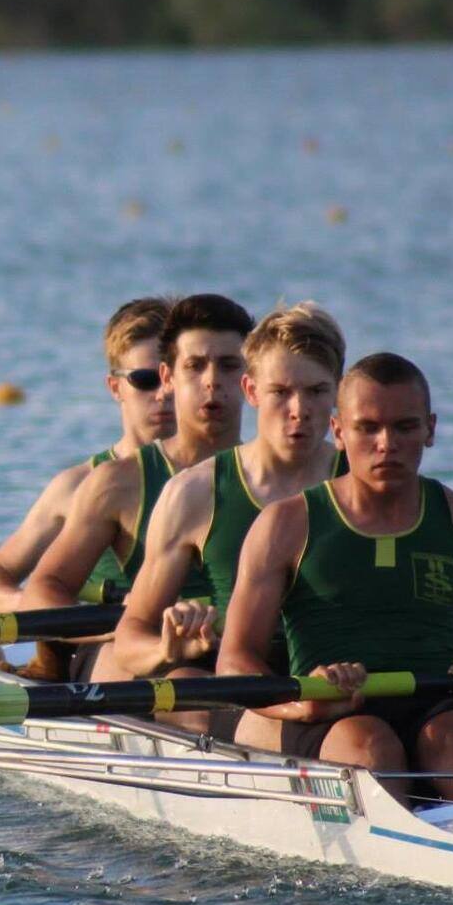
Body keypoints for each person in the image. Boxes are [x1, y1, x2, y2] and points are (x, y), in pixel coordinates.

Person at [218, 352, 453, 802]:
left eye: (404, 427)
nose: (386, 443)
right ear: (338, 432)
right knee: (373, 748)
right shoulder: (287, 525)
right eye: (367, 428)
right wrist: (303, 703)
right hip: (328, 714)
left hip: (435, 703)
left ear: (430, 429)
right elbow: (234, 664)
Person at [103, 304, 347, 734]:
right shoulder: (194, 493)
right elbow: (128, 640)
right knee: (188, 691)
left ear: (337, 395)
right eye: (281, 392)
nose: (299, 410)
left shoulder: (362, 479)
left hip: (341, 684)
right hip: (230, 690)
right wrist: (167, 647)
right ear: (251, 391)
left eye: (315, 392)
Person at [17, 294, 254, 681]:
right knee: (182, 682)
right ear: (168, 377)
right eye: (195, 366)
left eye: (229, 366)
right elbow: (41, 593)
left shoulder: (285, 480)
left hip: (239, 658)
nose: (212, 381)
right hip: (136, 658)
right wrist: (119, 627)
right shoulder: (118, 482)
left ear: (251, 381)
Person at [0, 297, 175, 667]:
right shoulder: (79, 485)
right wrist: (44, 608)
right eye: (145, 380)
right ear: (115, 388)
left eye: (174, 377)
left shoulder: (218, 477)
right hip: (100, 648)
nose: (163, 395)